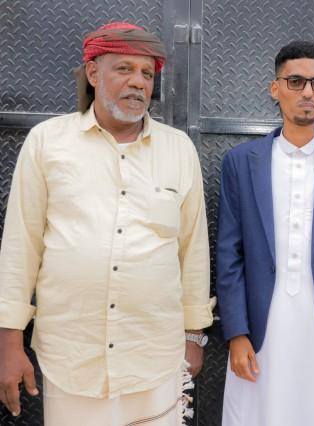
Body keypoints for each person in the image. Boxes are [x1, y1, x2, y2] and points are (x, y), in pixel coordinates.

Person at [0, 22, 213, 426]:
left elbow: (193, 249)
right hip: (72, 358)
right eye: (124, 69)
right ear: (93, 73)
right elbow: (20, 246)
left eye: (147, 73)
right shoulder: (48, 142)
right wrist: (8, 343)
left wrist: (193, 336)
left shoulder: (178, 149)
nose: (138, 82)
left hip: (156, 356)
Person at [216, 40, 314, 426]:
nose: (307, 92)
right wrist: (236, 332)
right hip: (260, 329)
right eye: (296, 81)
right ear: (275, 88)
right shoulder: (241, 162)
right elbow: (229, 254)